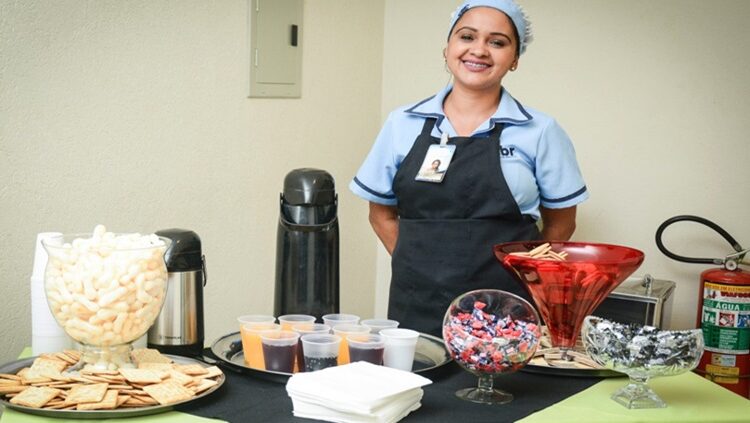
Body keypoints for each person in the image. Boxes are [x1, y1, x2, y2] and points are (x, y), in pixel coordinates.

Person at [349, 0, 588, 336]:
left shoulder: (540, 130)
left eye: (497, 42)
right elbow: (381, 214)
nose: (479, 50)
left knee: (499, 387)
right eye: (467, 37)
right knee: (418, 383)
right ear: (447, 48)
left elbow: (562, 222)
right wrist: (417, 265)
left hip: (506, 304)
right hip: (417, 300)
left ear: (515, 59)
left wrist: (521, 277)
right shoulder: (402, 123)